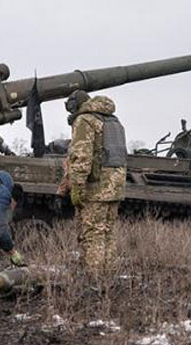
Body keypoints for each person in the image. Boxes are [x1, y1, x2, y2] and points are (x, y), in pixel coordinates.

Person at [63, 90, 127, 274]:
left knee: (92, 234)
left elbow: (82, 157)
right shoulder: (113, 121)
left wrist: (77, 187)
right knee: (108, 232)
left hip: (96, 187)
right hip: (115, 186)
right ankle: (108, 275)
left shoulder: (85, 121)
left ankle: (95, 278)